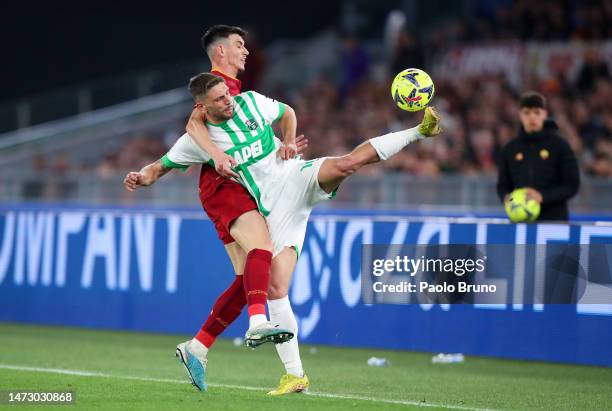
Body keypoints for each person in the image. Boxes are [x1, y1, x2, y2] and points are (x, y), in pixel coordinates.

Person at [123, 25, 310, 395]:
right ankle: (258, 324)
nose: (246, 52)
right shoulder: (217, 89)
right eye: (240, 46)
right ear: (220, 52)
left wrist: (285, 144)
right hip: (224, 187)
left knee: (248, 280)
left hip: (234, 185)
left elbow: (283, 113)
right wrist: (214, 153)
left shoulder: (232, 89)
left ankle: (198, 346)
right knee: (262, 251)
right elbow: (194, 123)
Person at [497, 91, 580, 222]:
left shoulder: (559, 146)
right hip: (520, 222)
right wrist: (509, 199)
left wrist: (542, 196)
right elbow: (503, 186)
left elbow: (572, 185)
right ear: (520, 115)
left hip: (554, 221)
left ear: (545, 114)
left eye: (536, 112)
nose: (532, 117)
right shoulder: (510, 149)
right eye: (527, 113)